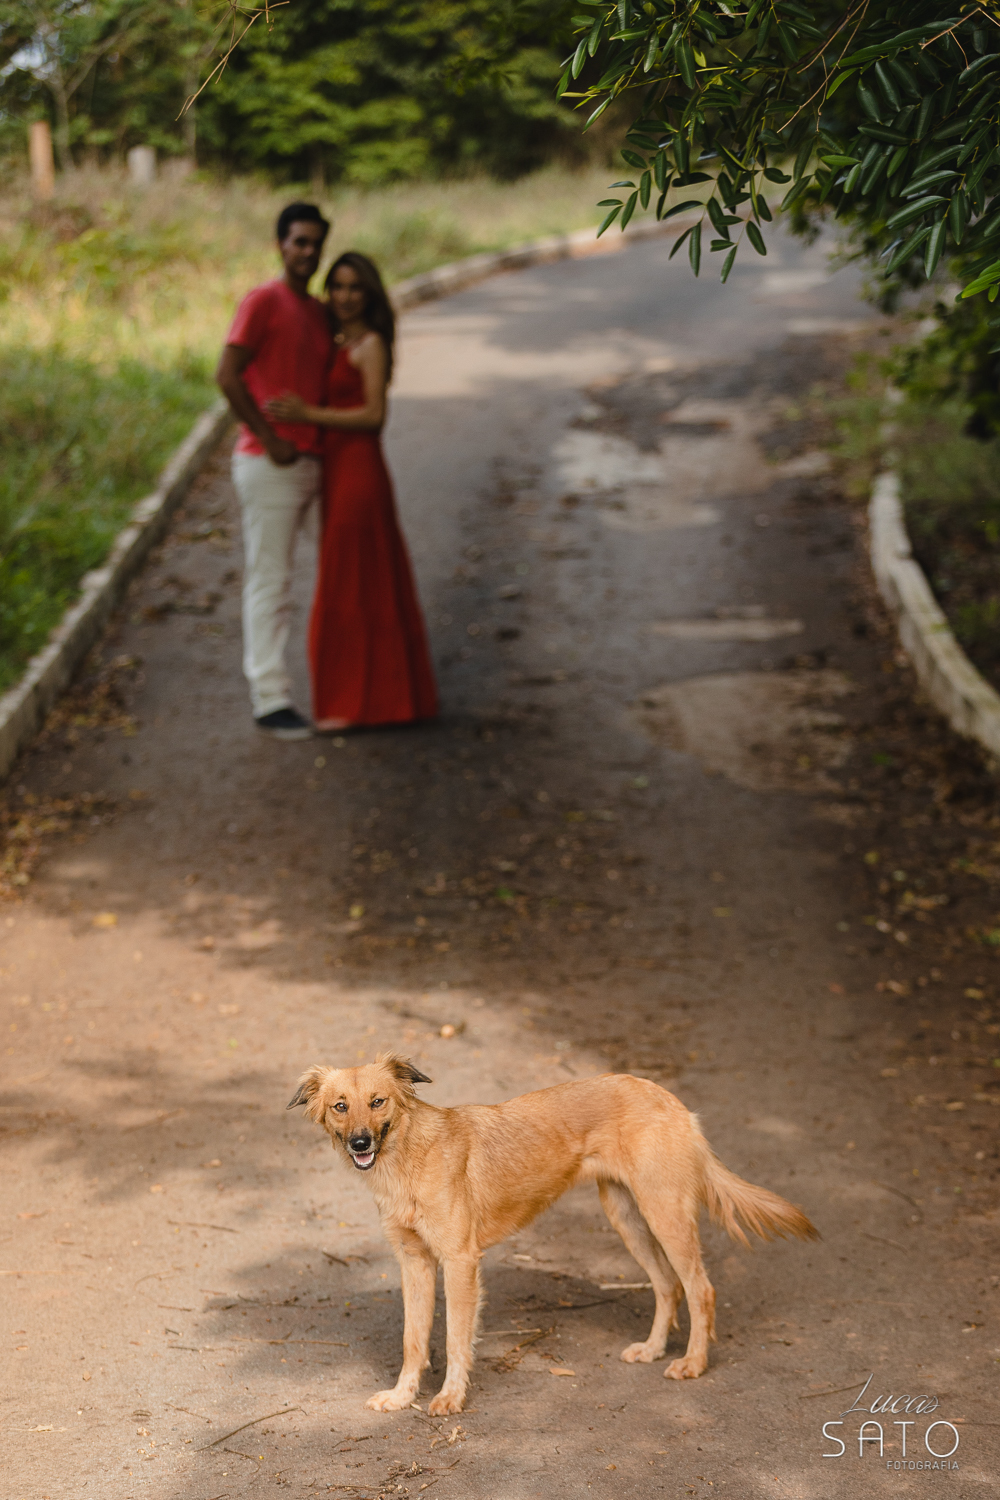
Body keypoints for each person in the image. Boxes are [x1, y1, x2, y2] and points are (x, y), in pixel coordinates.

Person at [267, 252, 438, 731]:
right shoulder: (331, 338)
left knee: (354, 581)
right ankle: (373, 699)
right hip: (334, 469)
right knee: (352, 577)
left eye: (355, 288)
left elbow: (373, 416)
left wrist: (308, 416)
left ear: (370, 294)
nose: (344, 297)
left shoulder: (371, 344)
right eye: (337, 287)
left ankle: (356, 704)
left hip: (360, 472)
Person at [216, 202, 332, 740]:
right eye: (299, 242)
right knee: (273, 580)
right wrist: (267, 436)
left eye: (315, 243)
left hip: (316, 462)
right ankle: (270, 697)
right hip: (269, 464)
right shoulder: (263, 300)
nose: (307, 252)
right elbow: (227, 373)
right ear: (280, 244)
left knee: (339, 571)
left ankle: (344, 686)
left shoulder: (317, 311)